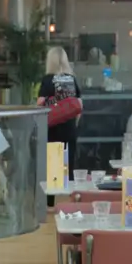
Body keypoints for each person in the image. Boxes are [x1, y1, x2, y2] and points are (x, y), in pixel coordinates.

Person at [39, 45, 84, 173]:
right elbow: (79, 104)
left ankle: (55, 193)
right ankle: (67, 192)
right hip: (69, 129)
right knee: (67, 168)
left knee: (54, 172)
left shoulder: (48, 80)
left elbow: (40, 103)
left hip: (53, 130)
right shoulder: (72, 79)